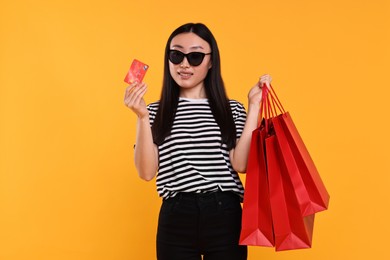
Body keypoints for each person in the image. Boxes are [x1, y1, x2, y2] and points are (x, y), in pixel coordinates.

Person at [124, 23, 272, 260]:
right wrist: (141, 117)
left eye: (195, 56)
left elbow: (241, 165)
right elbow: (146, 172)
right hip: (176, 215)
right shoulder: (154, 111)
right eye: (176, 55)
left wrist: (253, 106)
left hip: (225, 213)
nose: (184, 64)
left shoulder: (231, 109)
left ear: (211, 61)